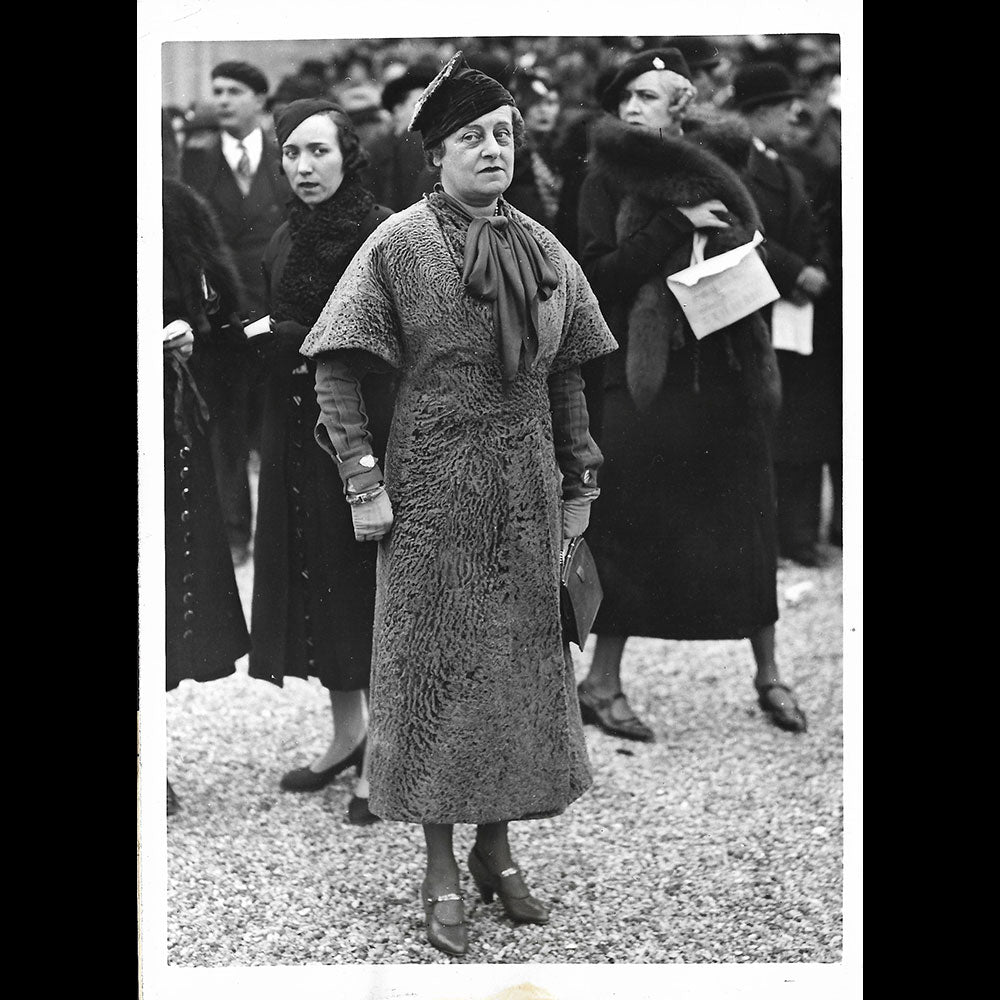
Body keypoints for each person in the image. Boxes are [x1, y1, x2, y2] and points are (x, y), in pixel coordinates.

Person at [299, 52, 617, 957]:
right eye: (471, 137)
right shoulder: (398, 245)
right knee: (435, 674)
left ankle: (497, 849)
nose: (493, 149)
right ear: (435, 154)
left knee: (516, 676)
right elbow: (334, 367)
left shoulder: (543, 248)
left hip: (526, 494)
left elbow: (567, 374)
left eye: (504, 134)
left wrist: (580, 482)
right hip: (432, 492)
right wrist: (363, 482)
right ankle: (440, 863)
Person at [576, 47, 808, 741]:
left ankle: (769, 673)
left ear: (681, 105)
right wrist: (679, 222)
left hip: (727, 371)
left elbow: (757, 246)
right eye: (627, 97)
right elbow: (600, 278)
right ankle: (601, 682)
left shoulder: (724, 165)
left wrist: (730, 235)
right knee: (629, 527)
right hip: (645, 378)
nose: (634, 108)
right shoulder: (605, 177)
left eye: (650, 96)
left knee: (748, 523)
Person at [247, 99, 395, 826]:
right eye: (292, 154)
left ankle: (383, 757)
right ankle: (347, 733)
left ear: (348, 155)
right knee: (317, 578)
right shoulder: (285, 234)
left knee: (362, 582)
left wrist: (299, 341)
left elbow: (396, 340)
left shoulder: (383, 231)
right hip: (294, 432)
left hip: (363, 431)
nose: (304, 167)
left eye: (319, 152)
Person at [161, 177, 251, 815]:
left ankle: (151, 753)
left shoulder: (173, 204)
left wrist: (188, 330)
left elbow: (216, 307)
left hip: (163, 425)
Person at [181, 61, 292, 566]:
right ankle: (235, 539)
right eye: (217, 91)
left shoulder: (284, 160)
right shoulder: (195, 164)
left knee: (275, 431)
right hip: (221, 325)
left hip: (275, 318)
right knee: (224, 435)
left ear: (259, 100)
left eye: (234, 91)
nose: (222, 100)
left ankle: (278, 540)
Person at [730, 62, 835, 568]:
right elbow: (746, 234)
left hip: (794, 309)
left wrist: (818, 266)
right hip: (763, 305)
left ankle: (798, 534)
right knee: (771, 425)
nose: (791, 116)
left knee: (800, 422)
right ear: (760, 112)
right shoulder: (740, 168)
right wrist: (798, 272)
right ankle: (772, 537)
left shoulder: (787, 167)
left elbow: (813, 227)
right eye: (780, 107)